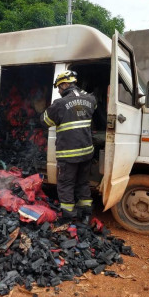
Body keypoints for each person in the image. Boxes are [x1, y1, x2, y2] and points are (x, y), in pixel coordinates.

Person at [40, 70, 97, 224]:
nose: (59, 91)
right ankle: (85, 214)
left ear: (65, 84)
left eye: (59, 87)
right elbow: (93, 106)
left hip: (69, 154)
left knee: (66, 184)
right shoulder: (90, 99)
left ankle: (68, 216)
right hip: (87, 152)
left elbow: (45, 122)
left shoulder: (59, 104)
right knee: (83, 182)